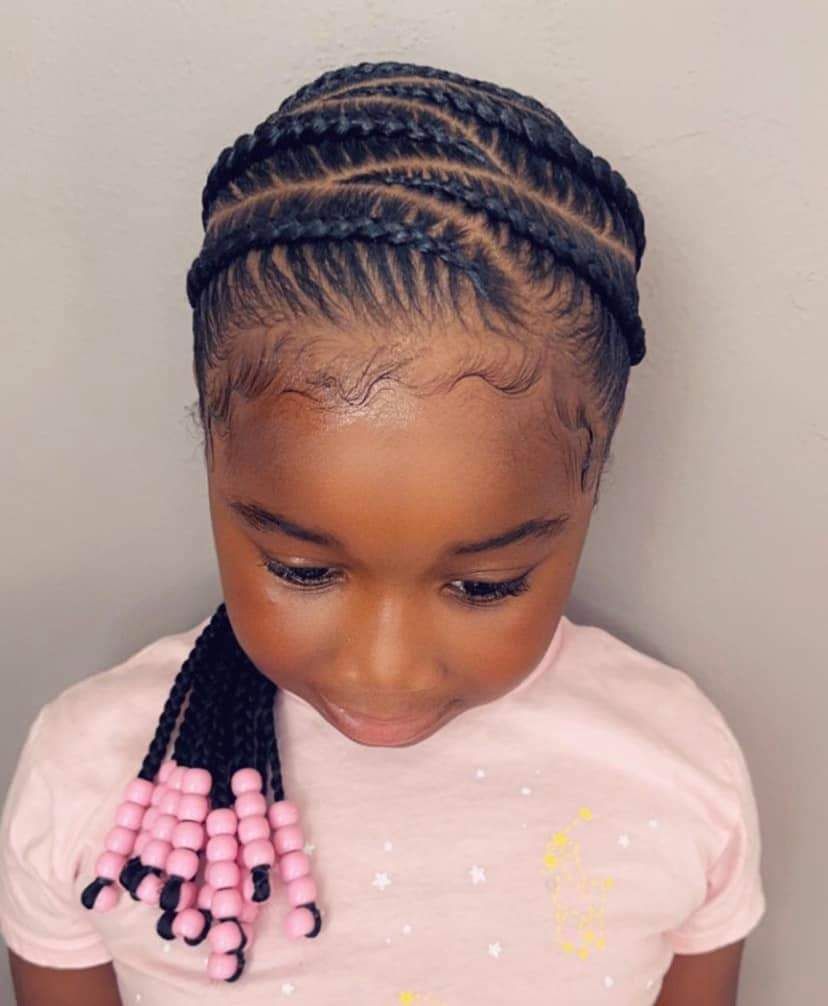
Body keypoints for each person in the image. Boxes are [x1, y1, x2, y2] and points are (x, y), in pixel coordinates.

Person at [0, 60, 766, 1006]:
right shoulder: (90, 781)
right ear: (213, 458)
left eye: (484, 584)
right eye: (301, 568)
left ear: (592, 486)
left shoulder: (676, 772)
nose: (385, 669)